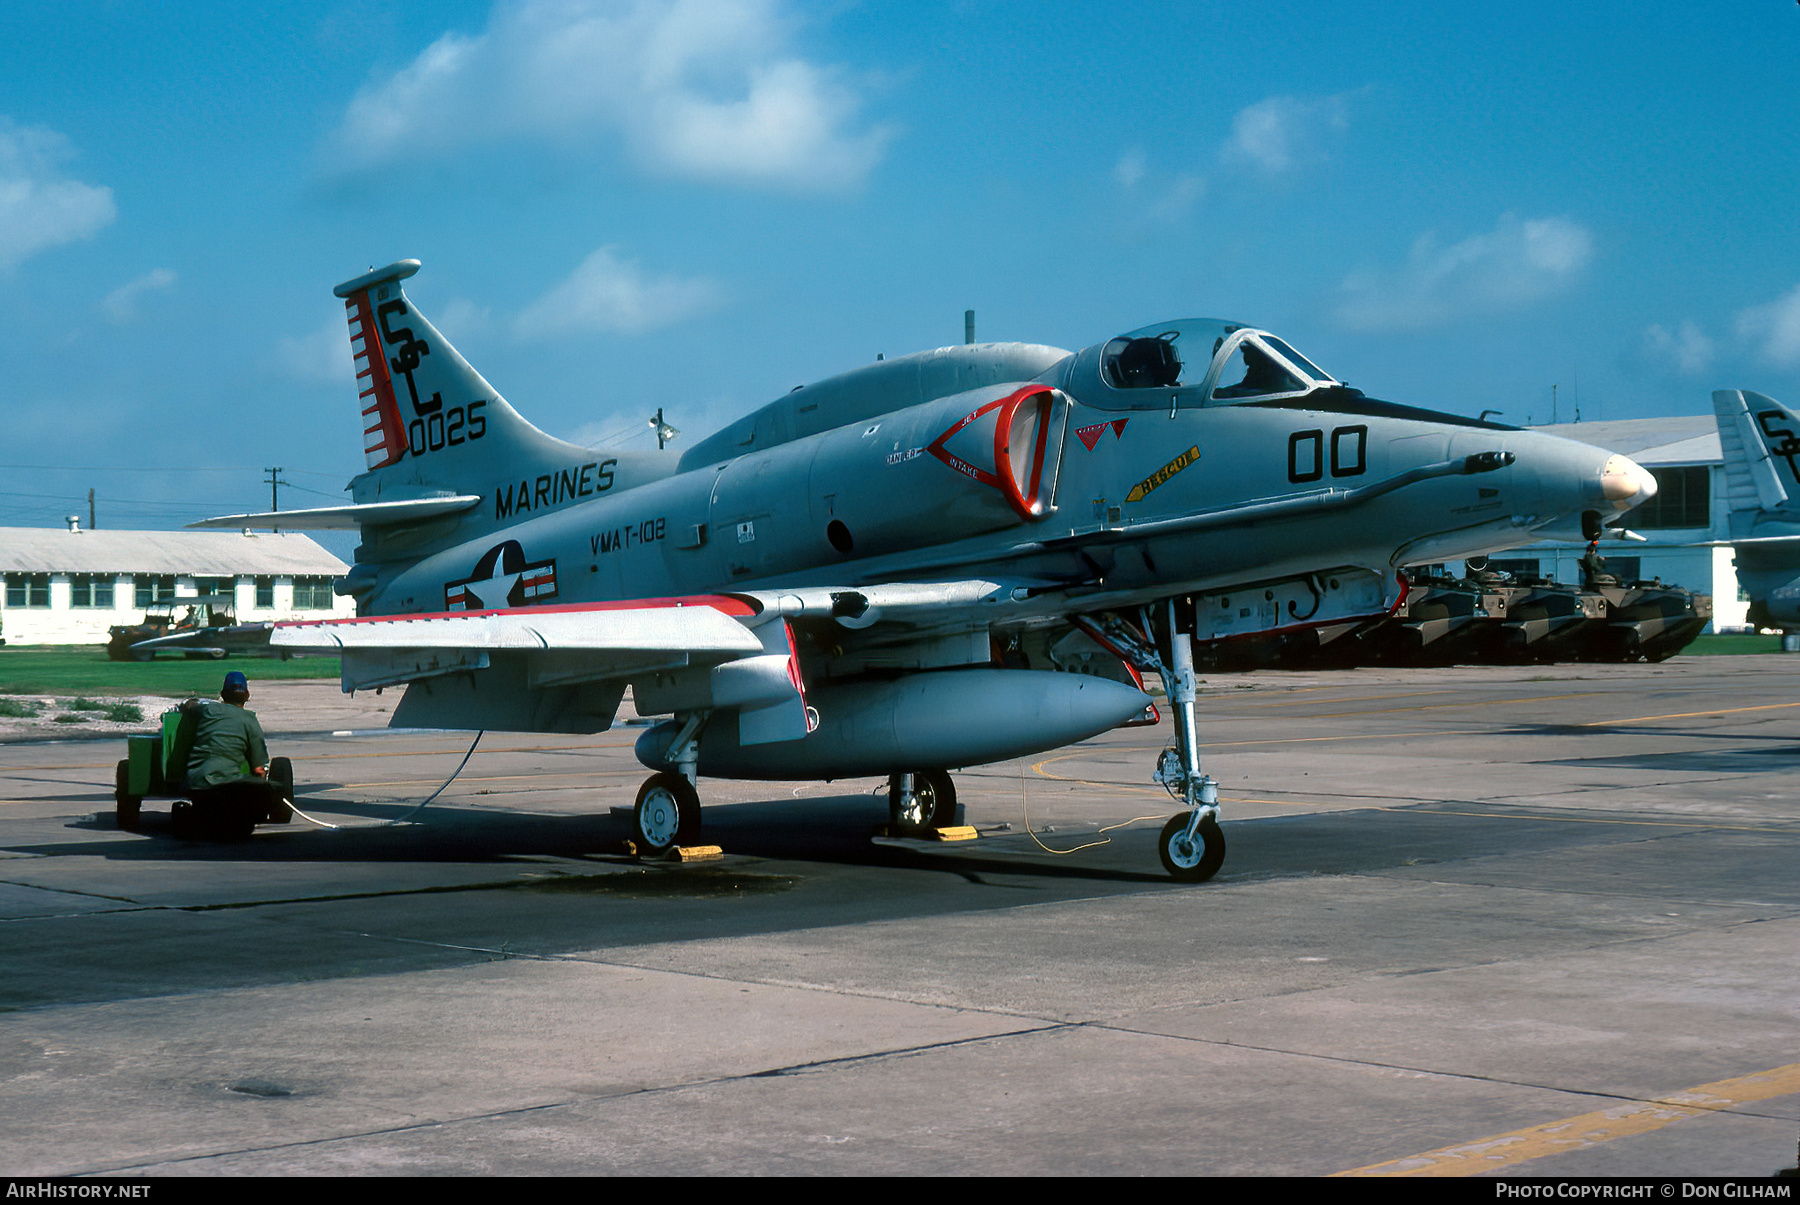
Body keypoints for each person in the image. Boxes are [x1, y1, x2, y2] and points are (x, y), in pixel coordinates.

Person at [183, 671, 286, 832]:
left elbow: (190, 706)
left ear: (223, 694)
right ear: (247, 695)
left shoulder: (209, 710)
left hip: (196, 782)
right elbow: (259, 769)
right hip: (226, 785)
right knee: (263, 788)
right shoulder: (249, 720)